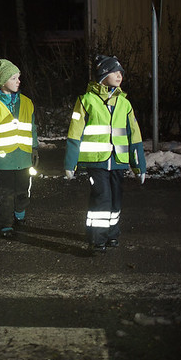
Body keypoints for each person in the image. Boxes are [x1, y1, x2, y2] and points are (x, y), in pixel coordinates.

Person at [64, 54, 146, 252]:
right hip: (96, 162)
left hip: (118, 161)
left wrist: (139, 165)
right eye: (114, 71)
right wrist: (70, 164)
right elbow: (75, 133)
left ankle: (111, 234)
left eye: (121, 73)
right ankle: (97, 237)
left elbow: (134, 136)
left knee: (116, 198)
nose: (119, 75)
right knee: (102, 197)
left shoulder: (124, 103)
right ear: (102, 74)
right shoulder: (86, 100)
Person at [0, 59, 39, 239]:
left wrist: (34, 148)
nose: (18, 81)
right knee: (5, 194)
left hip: (24, 158)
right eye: (13, 78)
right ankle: (5, 223)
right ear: (3, 81)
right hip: (2, 161)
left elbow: (32, 129)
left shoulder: (27, 103)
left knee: (23, 191)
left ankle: (20, 212)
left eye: (18, 77)